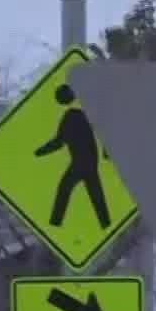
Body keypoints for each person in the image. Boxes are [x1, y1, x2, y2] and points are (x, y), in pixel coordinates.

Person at [34, 84, 111, 230]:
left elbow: (58, 142)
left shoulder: (71, 116)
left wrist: (38, 152)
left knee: (65, 188)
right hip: (90, 161)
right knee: (95, 194)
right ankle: (105, 224)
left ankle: (55, 223)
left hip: (80, 163)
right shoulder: (84, 112)